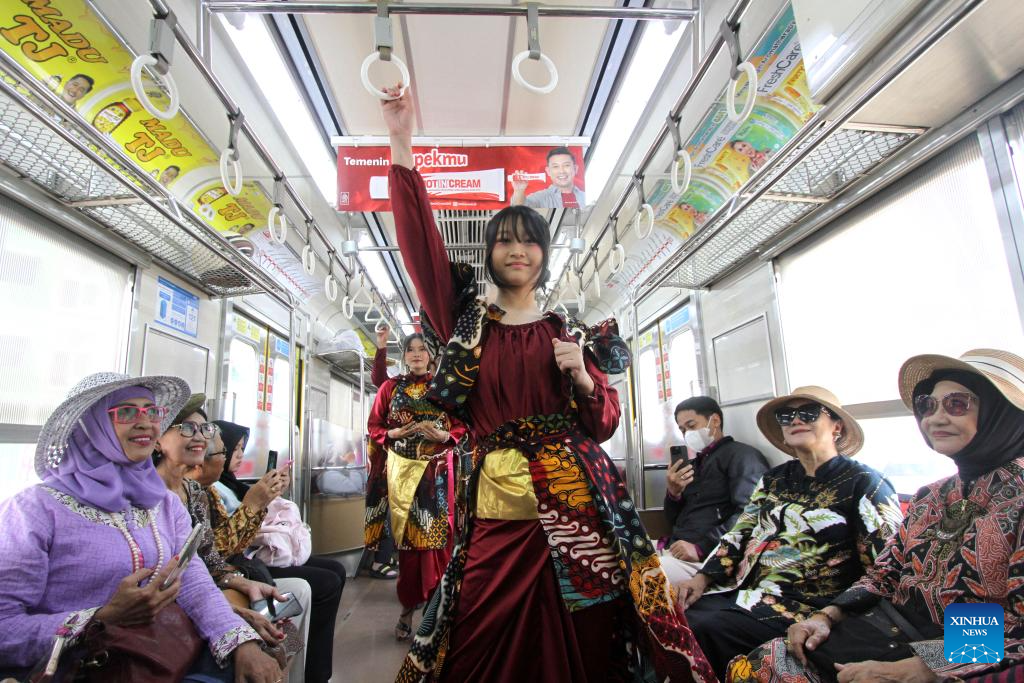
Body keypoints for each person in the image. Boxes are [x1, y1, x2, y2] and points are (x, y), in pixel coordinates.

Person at [381, 85, 713, 683]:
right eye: (505, 240)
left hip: (576, 504)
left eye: (530, 240)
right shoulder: (464, 323)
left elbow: (603, 425)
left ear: (544, 253)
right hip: (496, 506)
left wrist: (583, 377)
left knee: (586, 633)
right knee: (477, 630)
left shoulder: (571, 333)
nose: (518, 250)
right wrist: (401, 140)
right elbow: (419, 245)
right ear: (489, 252)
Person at [731, 350, 1024, 683]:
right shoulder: (932, 495)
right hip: (887, 628)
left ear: (1002, 413)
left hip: (954, 651)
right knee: (760, 664)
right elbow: (885, 572)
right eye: (928, 405)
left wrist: (919, 669)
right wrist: (825, 616)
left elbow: (1017, 624)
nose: (935, 419)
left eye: (957, 404)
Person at [0, 372, 280, 682]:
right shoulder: (34, 510)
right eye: (127, 412)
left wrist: (240, 642)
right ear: (91, 427)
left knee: (275, 654)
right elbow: (5, 627)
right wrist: (99, 618)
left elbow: (193, 582)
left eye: (151, 411)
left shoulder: (163, 503)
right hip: (80, 671)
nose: (145, 422)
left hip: (162, 656)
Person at [675, 386, 902, 680]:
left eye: (808, 413)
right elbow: (740, 532)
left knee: (703, 626)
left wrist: (832, 613)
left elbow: (886, 566)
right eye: (786, 415)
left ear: (837, 427)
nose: (795, 420)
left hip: (806, 607)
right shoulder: (775, 479)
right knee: (673, 613)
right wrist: (702, 578)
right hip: (745, 590)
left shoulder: (864, 483)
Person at [213, 419, 346, 683]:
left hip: (243, 567)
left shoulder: (223, 487)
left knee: (334, 572)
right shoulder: (204, 493)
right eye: (228, 450)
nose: (238, 456)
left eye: (240, 449)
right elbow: (218, 552)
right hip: (241, 569)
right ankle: (305, 670)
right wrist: (253, 505)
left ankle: (310, 668)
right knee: (312, 587)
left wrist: (265, 497)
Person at [366, 330, 467, 640]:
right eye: (411, 350)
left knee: (440, 544)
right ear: (405, 355)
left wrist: (446, 436)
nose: (417, 354)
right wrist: (391, 435)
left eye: (422, 349)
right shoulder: (390, 387)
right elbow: (375, 425)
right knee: (409, 547)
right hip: (402, 474)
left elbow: (462, 425)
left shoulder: (444, 389)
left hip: (437, 475)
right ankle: (407, 610)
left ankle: (436, 614)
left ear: (431, 355)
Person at [662, 396, 769, 583]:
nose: (687, 433)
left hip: (708, 557)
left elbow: (750, 513)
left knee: (638, 573)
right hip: (676, 546)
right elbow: (674, 519)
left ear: (715, 420)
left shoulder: (743, 456)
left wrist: (701, 548)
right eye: (683, 429)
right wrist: (674, 493)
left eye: (691, 425)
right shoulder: (695, 464)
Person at [510, 146, 586, 209]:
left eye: (566, 165)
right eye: (555, 166)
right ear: (548, 171)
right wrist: (518, 191)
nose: (561, 171)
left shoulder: (585, 196)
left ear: (575, 169)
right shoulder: (541, 197)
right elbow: (519, 209)